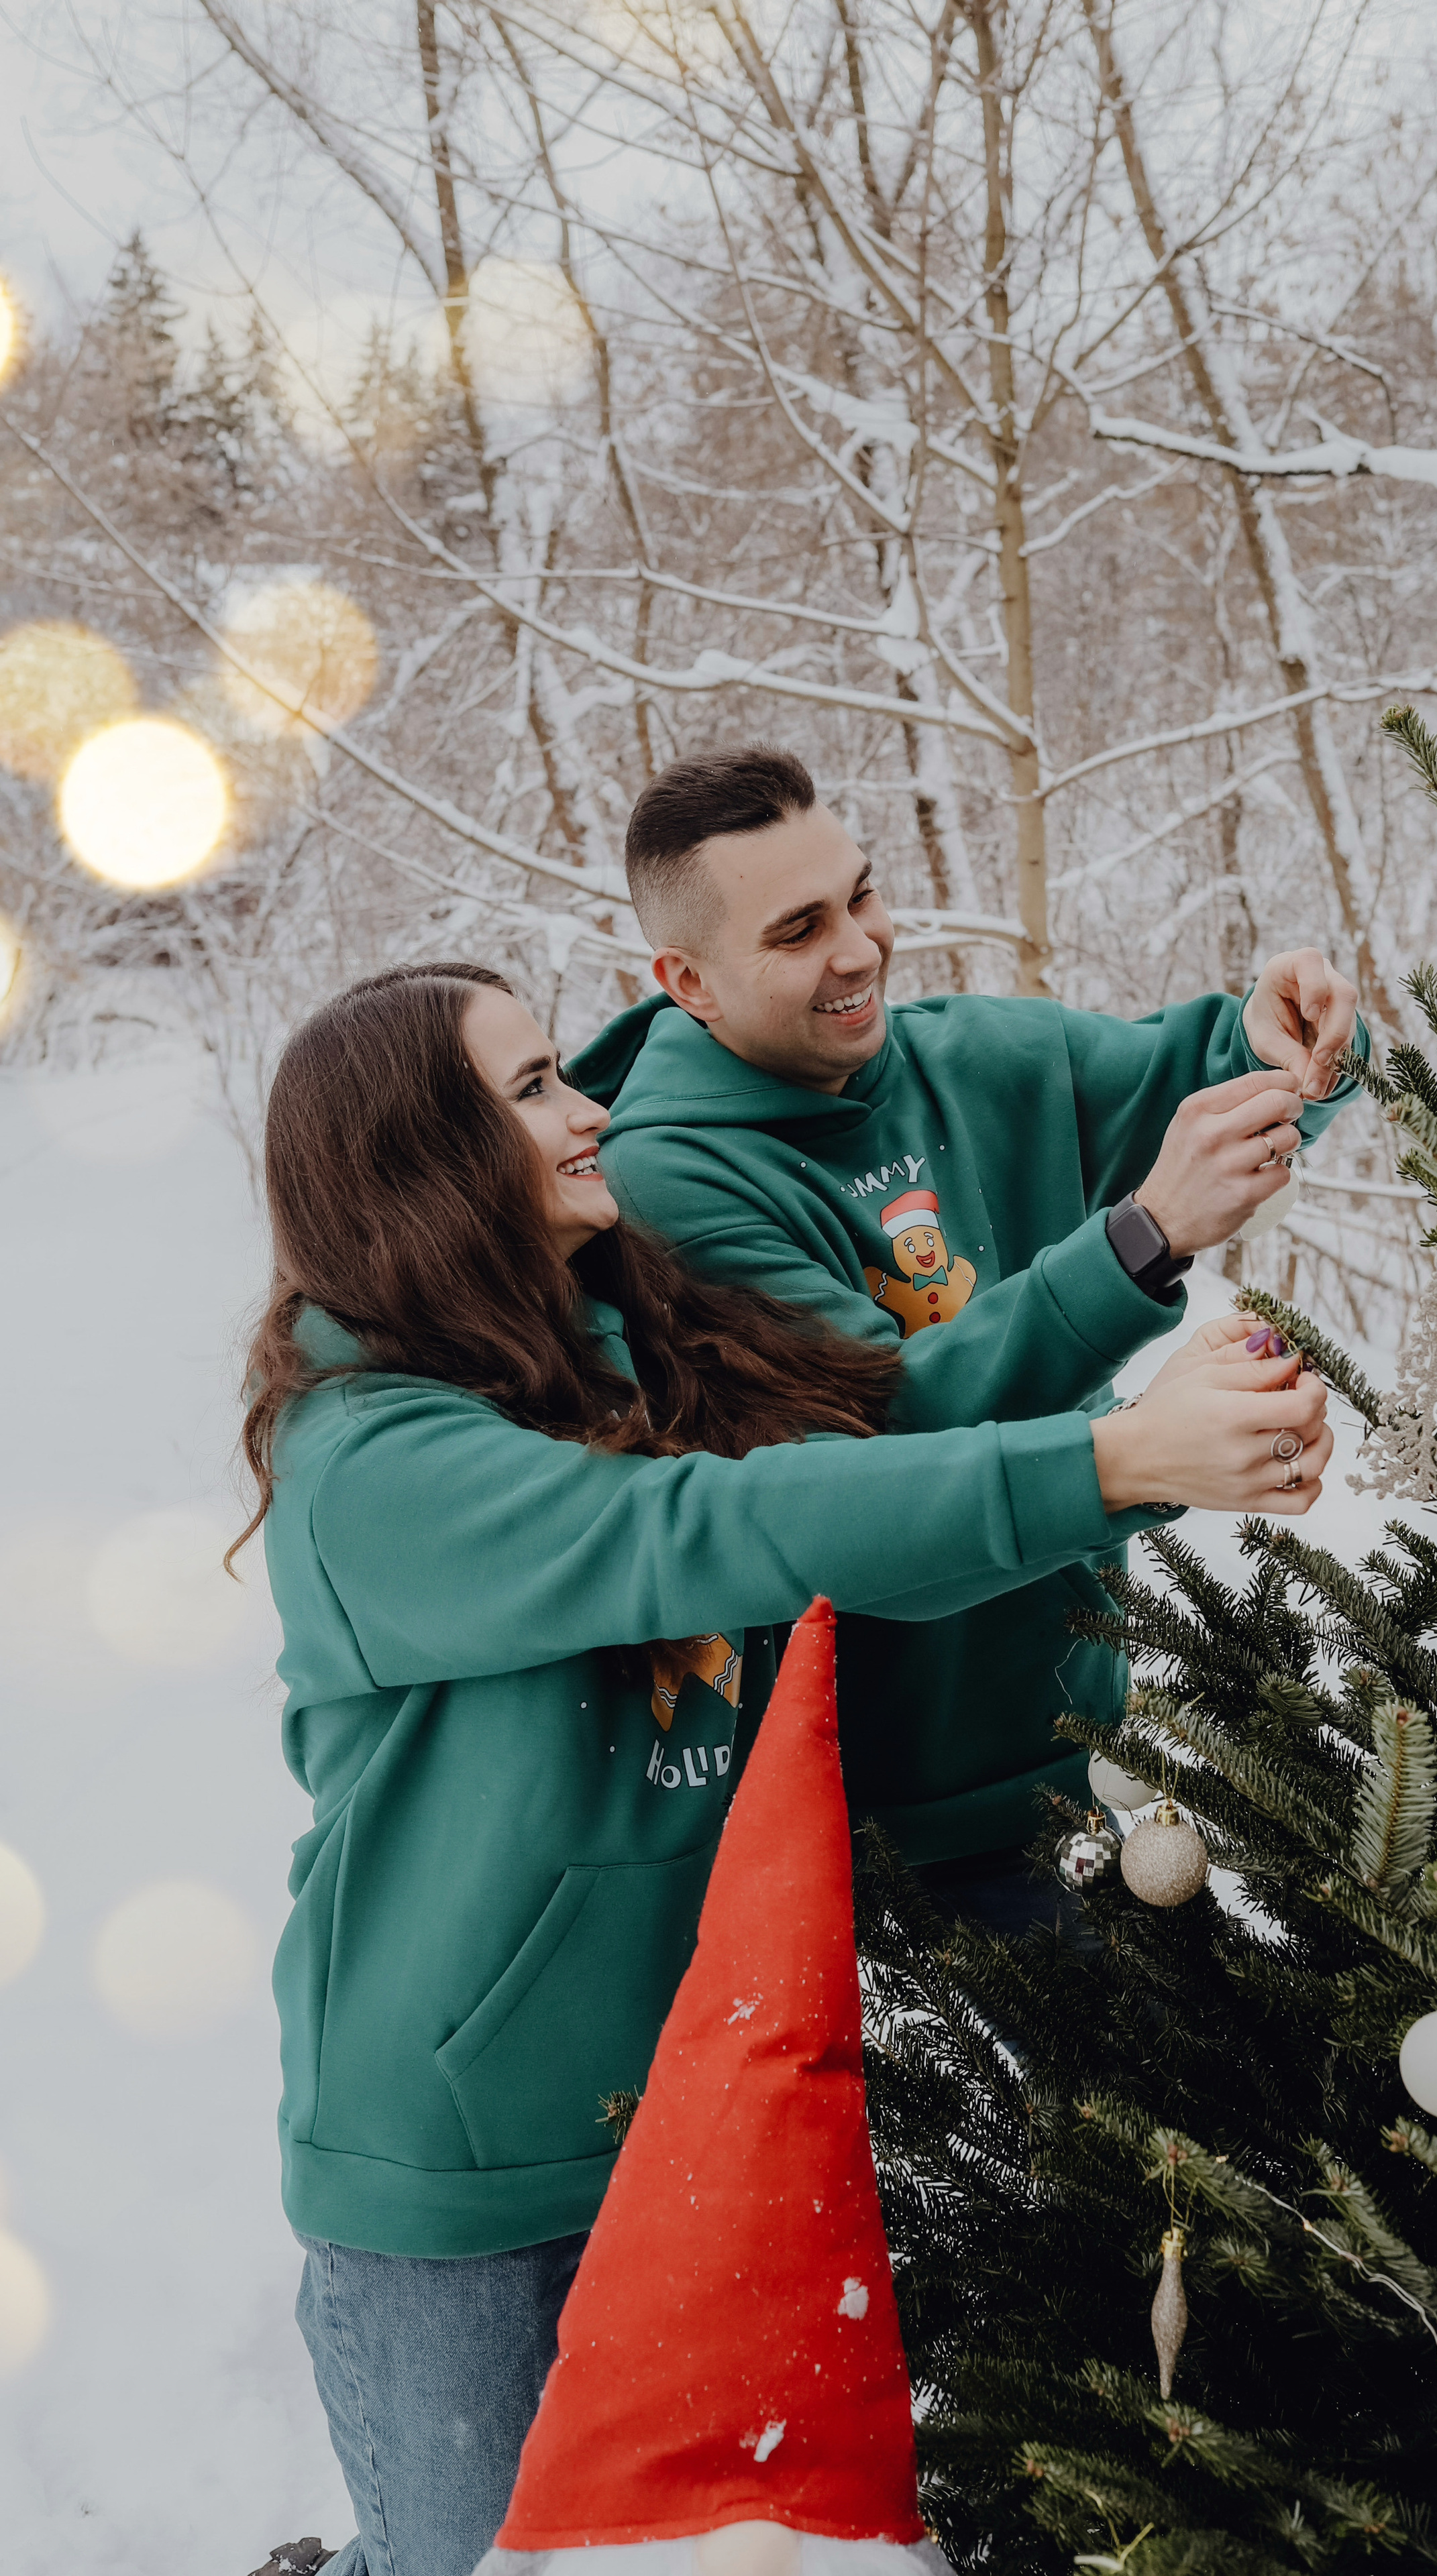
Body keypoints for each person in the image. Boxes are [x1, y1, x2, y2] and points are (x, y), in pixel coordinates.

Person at [240, 962, 1331, 2576]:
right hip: (465, 2178)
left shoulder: (630, 1345)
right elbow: (716, 1531)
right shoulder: (373, 1461)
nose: (589, 1107)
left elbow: (881, 1428)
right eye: (535, 1087)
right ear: (422, 1162)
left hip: (693, 2121)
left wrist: (1138, 1277)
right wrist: (1104, 1460)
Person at [574, 745, 1369, 1935]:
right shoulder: (672, 1178)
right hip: (894, 1835)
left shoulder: (973, 1052)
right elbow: (885, 1439)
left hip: (1086, 1751)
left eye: (862, 895)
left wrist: (1282, 1045)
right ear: (689, 980)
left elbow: (1184, 1072)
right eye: (797, 931)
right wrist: (1142, 1240)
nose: (858, 949)